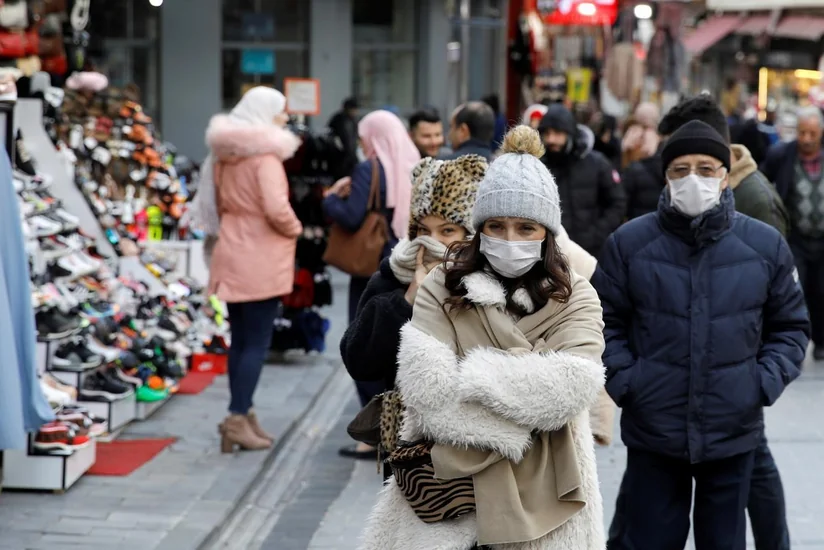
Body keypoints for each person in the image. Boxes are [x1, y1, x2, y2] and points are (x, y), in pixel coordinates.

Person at [360, 126, 606, 550]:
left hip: (551, 495)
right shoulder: (442, 285)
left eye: (525, 228)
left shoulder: (577, 295)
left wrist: (471, 375)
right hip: (449, 498)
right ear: (480, 228)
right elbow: (428, 394)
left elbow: (571, 387)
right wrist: (522, 417)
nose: (509, 239)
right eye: (496, 225)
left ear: (547, 232)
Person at [593, 120, 810, 550]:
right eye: (681, 169)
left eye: (706, 168)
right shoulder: (629, 244)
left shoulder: (764, 245)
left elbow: (790, 327)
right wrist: (628, 382)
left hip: (732, 431)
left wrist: (759, 383)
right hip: (654, 430)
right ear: (666, 177)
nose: (693, 179)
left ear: (725, 176)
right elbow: (602, 324)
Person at [340, 153, 488, 476]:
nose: (432, 243)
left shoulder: (491, 284)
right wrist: (406, 302)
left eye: (447, 231)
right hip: (410, 451)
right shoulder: (393, 277)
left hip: (478, 449)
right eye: (423, 230)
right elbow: (358, 360)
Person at [205, 87, 303, 452]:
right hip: (260, 255)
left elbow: (217, 203)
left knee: (241, 339)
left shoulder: (225, 158)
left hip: (232, 248)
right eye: (280, 110)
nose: (285, 117)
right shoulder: (265, 160)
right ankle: (236, 417)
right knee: (257, 343)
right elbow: (277, 209)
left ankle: (242, 414)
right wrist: (296, 228)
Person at [322, 109, 420, 459]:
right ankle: (395, 427)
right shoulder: (413, 164)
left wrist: (331, 198)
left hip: (372, 269)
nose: (362, 144)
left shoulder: (369, 169)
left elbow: (351, 217)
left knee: (363, 342)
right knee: (395, 349)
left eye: (365, 138)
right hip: (406, 262)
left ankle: (374, 433)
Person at [761, 105, 824, 361]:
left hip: (823, 239)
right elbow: (763, 183)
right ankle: (795, 342)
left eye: (812, 133)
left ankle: (821, 341)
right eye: (802, 133)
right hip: (795, 237)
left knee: (821, 290)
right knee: (795, 290)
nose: (806, 139)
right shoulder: (781, 155)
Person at [538, 103, 626, 258]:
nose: (551, 139)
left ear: (570, 133)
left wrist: (597, 235)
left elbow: (617, 203)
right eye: (547, 133)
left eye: (558, 133)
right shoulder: (538, 166)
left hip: (591, 253)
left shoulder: (597, 163)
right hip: (551, 254)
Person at [621, 102, 660, 168]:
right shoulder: (652, 134)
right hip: (646, 168)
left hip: (630, 167)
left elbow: (624, 146)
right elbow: (651, 151)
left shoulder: (633, 130)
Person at [328, 97, 360, 176]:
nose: (355, 112)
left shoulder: (354, 120)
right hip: (339, 157)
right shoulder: (338, 119)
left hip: (351, 156)